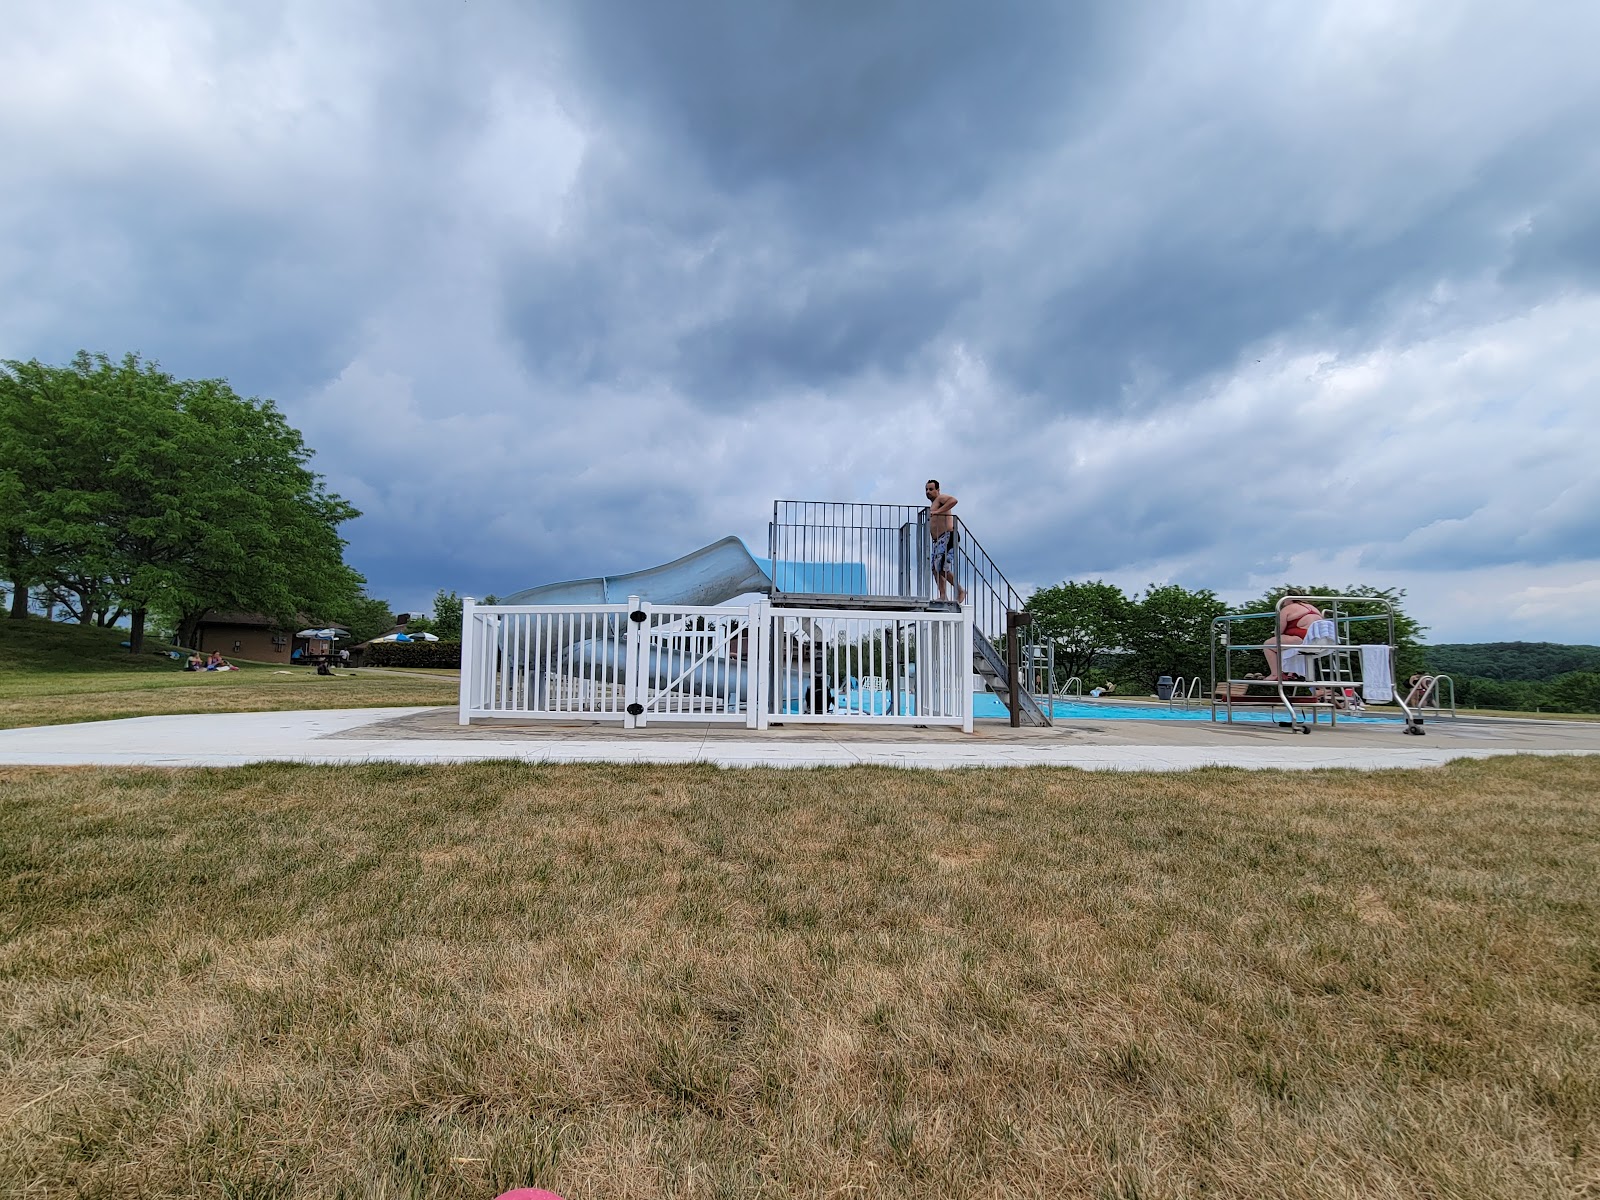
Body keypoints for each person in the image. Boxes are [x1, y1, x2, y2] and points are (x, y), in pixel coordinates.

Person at [924, 478, 968, 603]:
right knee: (934, 568)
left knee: (942, 567)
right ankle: (943, 595)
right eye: (926, 489)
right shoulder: (933, 504)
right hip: (938, 541)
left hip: (948, 537)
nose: (928, 491)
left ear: (937, 490)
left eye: (931, 489)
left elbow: (953, 500)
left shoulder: (941, 499)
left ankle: (960, 590)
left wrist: (937, 511)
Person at [1262, 599, 1322, 680]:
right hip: (1316, 640)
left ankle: (1275, 674)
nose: (1283, 603)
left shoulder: (1288, 608)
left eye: (1284, 600)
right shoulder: (1314, 609)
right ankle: (1291, 672)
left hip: (1300, 638)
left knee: (1268, 645)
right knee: (1284, 645)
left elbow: (1278, 631)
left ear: (1289, 599)